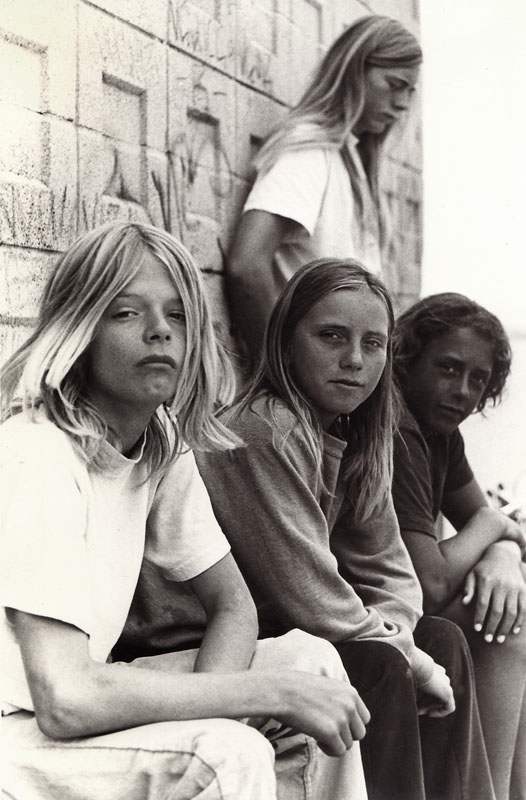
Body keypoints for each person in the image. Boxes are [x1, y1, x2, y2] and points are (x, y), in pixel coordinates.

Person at [0, 223, 370, 800]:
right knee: (229, 755)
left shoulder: (157, 442)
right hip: (17, 734)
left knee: (308, 661)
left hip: (70, 705)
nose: (158, 334)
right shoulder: (38, 453)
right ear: (80, 331)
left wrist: (222, 710)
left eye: (177, 316)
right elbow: (65, 700)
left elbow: (233, 606)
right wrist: (251, 703)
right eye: (126, 314)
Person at [197, 259, 497, 800]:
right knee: (380, 662)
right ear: (287, 341)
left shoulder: (357, 432)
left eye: (373, 343)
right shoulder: (265, 431)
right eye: (331, 336)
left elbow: (390, 570)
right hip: (215, 641)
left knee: (440, 637)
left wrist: (409, 643)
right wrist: (406, 656)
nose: (354, 361)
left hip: (295, 627)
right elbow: (308, 594)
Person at [391, 292, 526, 800]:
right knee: (508, 624)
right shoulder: (399, 432)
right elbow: (430, 582)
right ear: (407, 360)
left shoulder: (438, 432)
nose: (462, 391)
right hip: (372, 616)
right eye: (448, 368)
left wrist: (504, 552)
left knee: (513, 602)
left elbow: (491, 525)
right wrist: (494, 526)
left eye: (478, 380)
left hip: (407, 605)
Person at [227, 14, 422, 360]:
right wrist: (280, 369)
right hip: (308, 379)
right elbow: (246, 266)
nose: (403, 104)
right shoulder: (309, 152)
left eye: (410, 91)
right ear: (354, 72)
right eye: (394, 84)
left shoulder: (350, 159)